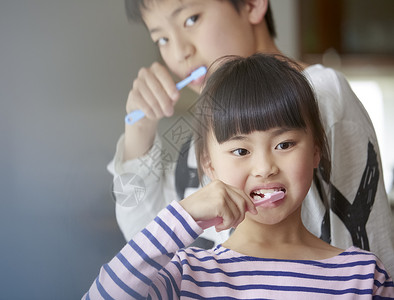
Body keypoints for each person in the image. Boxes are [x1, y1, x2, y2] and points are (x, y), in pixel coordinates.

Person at [108, 0, 394, 275]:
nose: (179, 52)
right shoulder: (205, 136)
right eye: (162, 40)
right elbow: (141, 234)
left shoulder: (321, 93)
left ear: (253, 4)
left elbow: (368, 248)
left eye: (191, 19)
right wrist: (140, 128)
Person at [87, 54, 394, 299]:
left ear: (316, 151)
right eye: (240, 151)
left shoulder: (362, 276)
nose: (264, 168)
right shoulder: (187, 274)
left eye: (284, 144)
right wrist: (184, 214)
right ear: (209, 164)